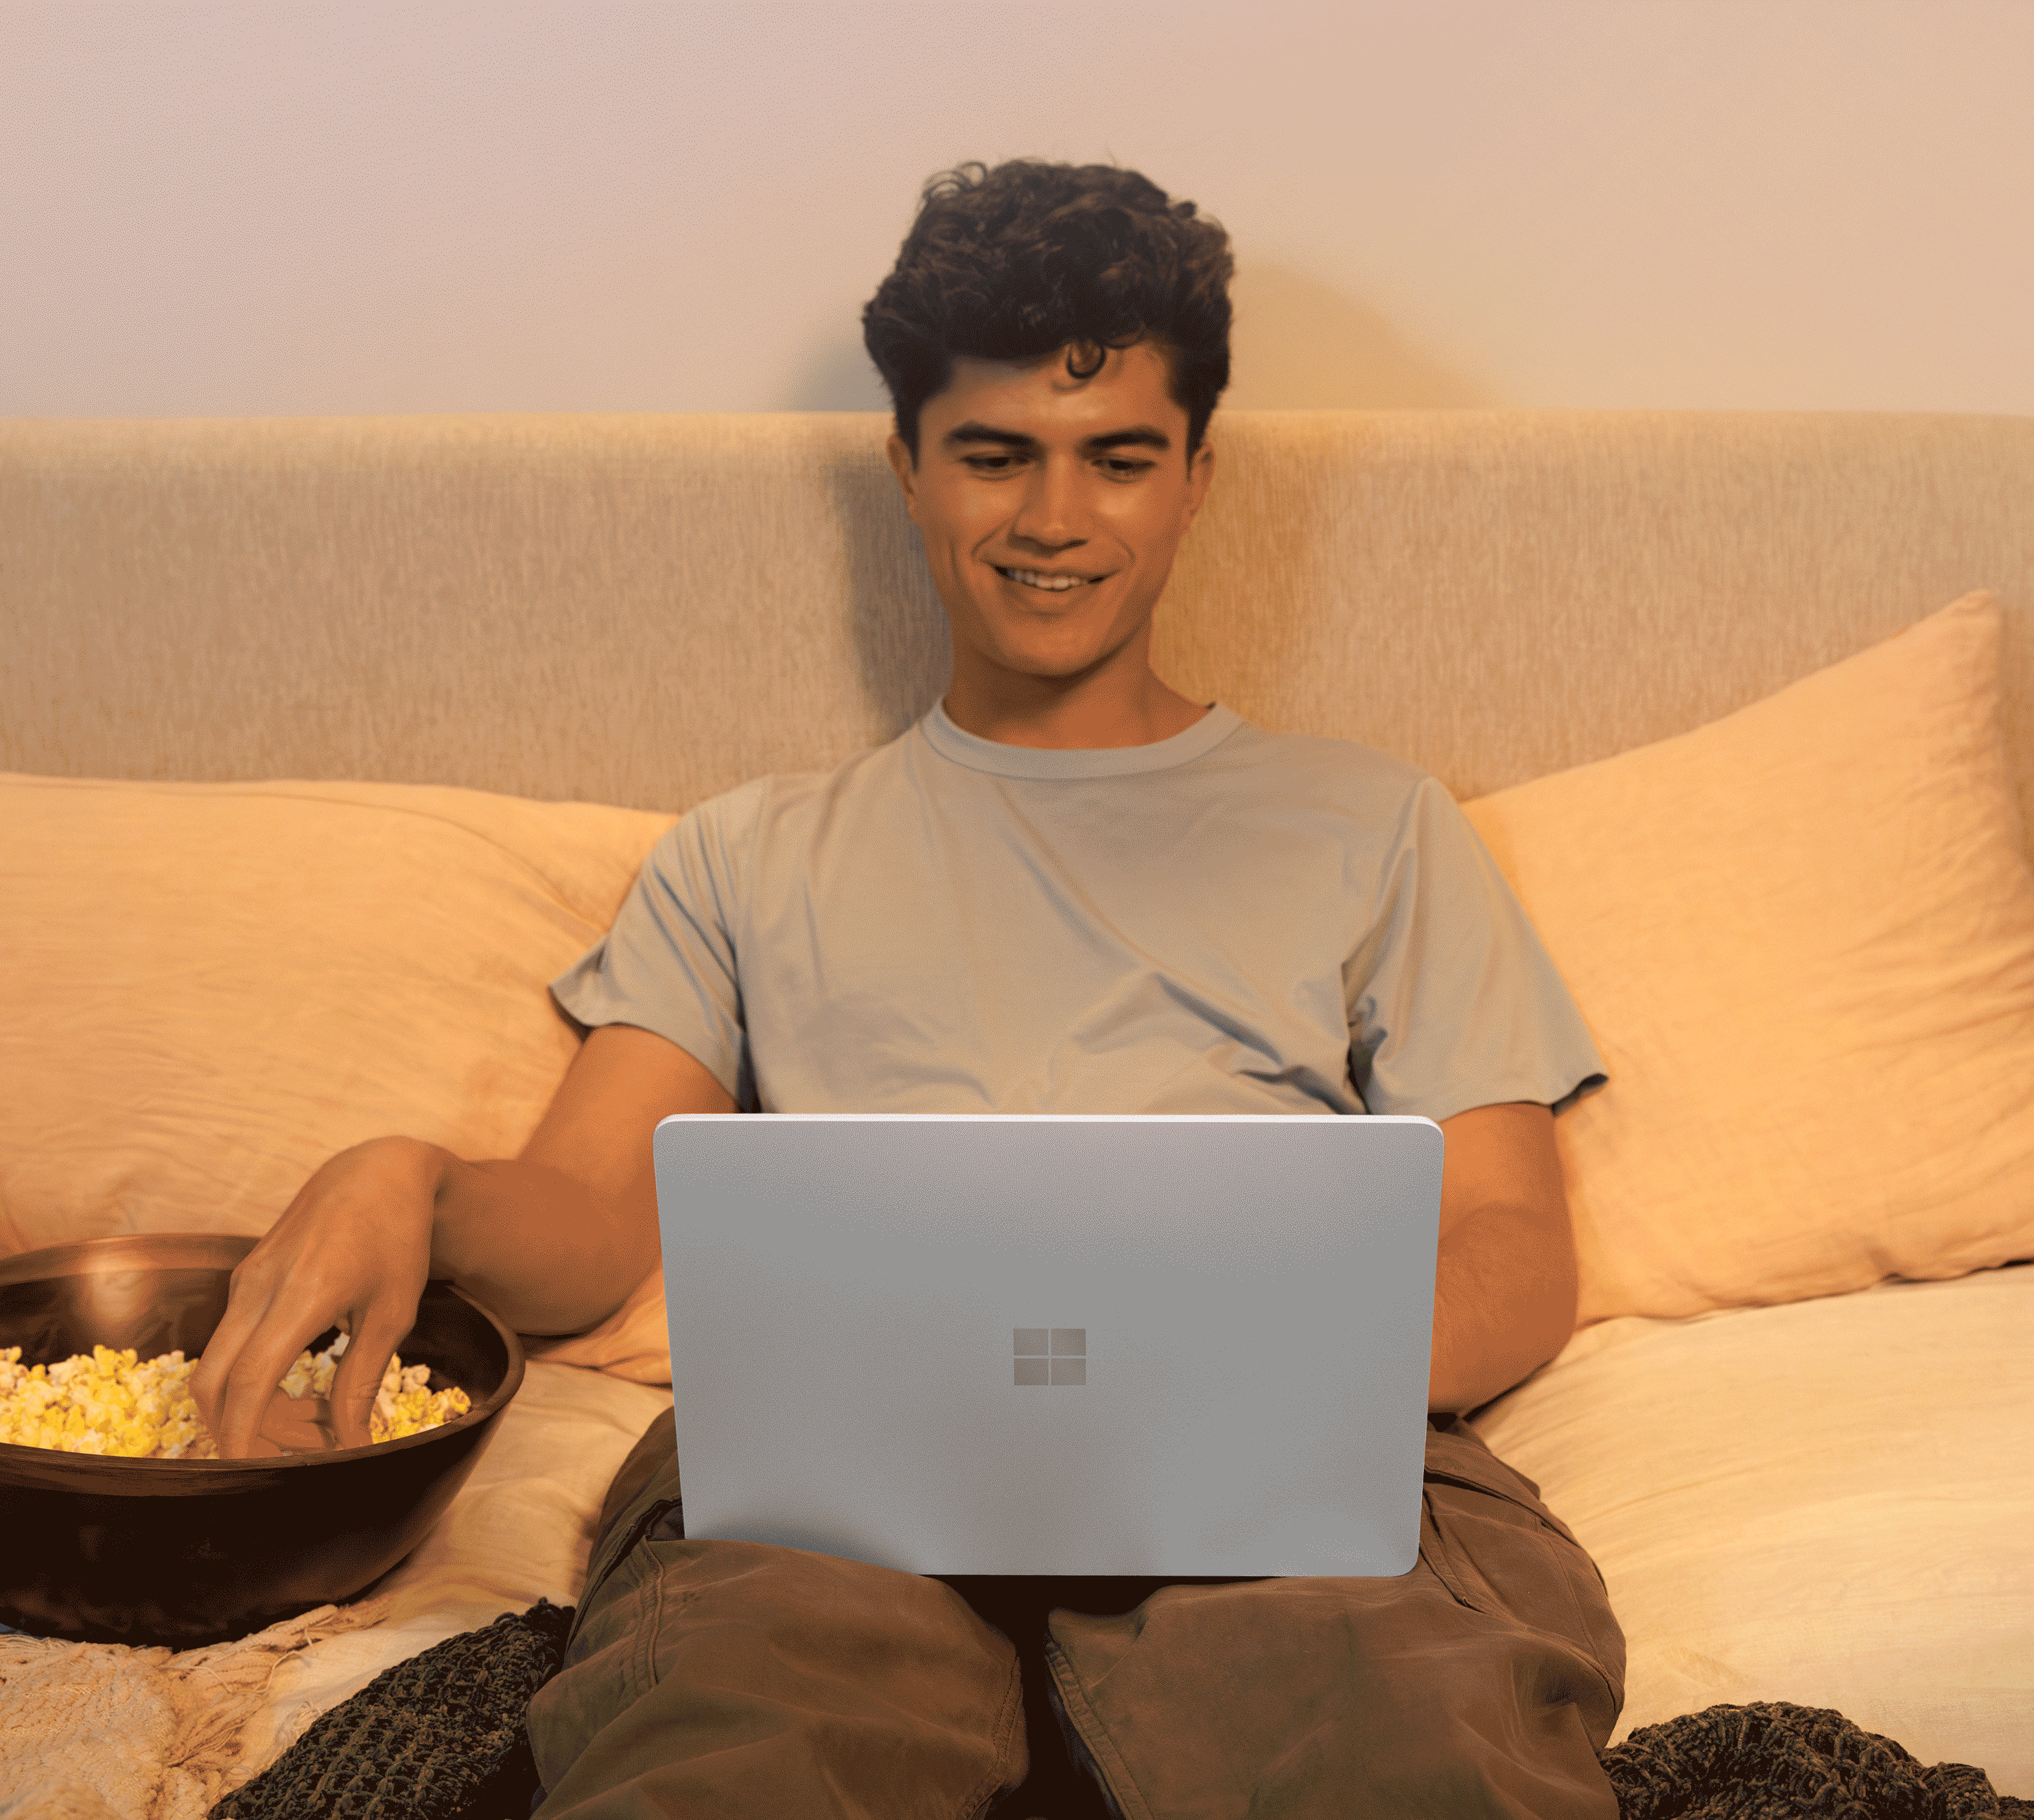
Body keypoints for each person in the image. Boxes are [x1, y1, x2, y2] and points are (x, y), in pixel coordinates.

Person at [195, 160, 1627, 1820]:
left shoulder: (1375, 823)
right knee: (736, 1741)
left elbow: (1514, 1259)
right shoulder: (746, 854)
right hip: (842, 1470)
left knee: (1388, 1738)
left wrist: (1231, 1370)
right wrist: (415, 1184)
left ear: (1196, 481)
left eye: (1118, 460)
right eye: (996, 454)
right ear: (907, 467)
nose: (1052, 518)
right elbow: (583, 1234)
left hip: (1285, 1462)